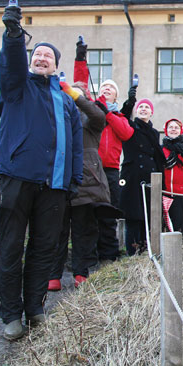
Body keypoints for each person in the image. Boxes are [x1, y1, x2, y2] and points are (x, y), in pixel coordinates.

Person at [0, 3, 83, 340]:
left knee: (44, 249)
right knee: (10, 246)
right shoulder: (17, 87)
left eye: (48, 55)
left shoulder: (66, 102)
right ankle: (10, 316)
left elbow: (75, 145)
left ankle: (34, 308)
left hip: (55, 187)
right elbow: (11, 65)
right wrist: (14, 37)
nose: (42, 58)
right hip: (16, 178)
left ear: (56, 66)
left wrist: (73, 181)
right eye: (38, 54)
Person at [48, 39, 115, 290]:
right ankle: (53, 275)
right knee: (57, 231)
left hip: (87, 181)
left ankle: (80, 273)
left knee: (83, 231)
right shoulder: (59, 115)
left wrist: (76, 95)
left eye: (80, 94)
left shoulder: (92, 119)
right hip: (60, 178)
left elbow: (99, 114)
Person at [74, 63, 134, 262]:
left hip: (109, 170)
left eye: (111, 88)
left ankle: (109, 255)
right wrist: (80, 58)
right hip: (89, 168)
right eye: (103, 87)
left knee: (108, 214)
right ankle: (87, 257)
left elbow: (126, 133)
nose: (106, 89)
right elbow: (79, 85)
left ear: (116, 96)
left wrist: (106, 113)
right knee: (87, 213)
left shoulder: (119, 116)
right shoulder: (90, 109)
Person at [119, 92, 166, 255]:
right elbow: (122, 117)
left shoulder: (154, 133)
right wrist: (130, 102)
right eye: (141, 107)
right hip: (132, 177)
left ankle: (146, 250)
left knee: (147, 216)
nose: (144, 109)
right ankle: (132, 252)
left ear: (151, 112)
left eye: (147, 107)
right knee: (133, 216)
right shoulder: (131, 126)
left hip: (150, 178)